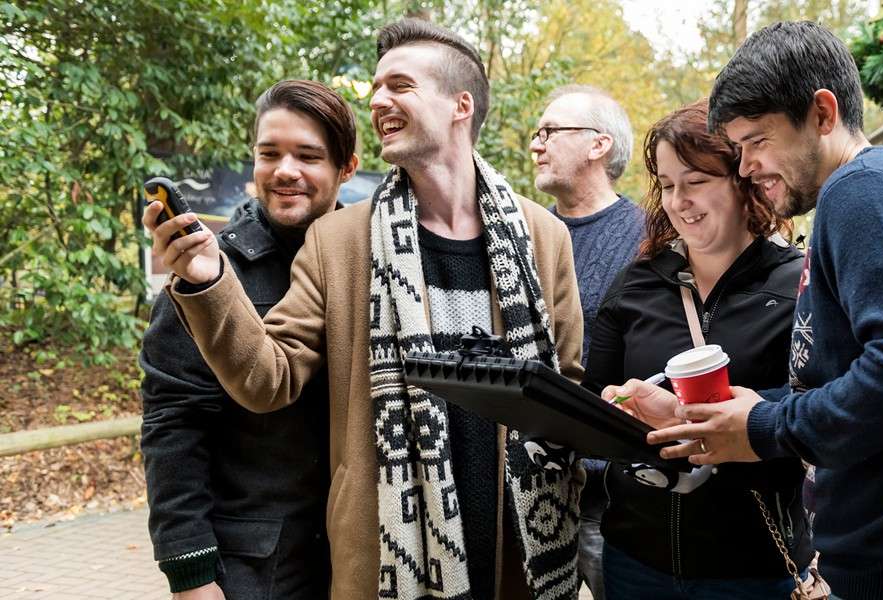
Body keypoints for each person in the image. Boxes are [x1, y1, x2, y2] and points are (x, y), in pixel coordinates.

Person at [142, 18, 585, 600]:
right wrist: (206, 281)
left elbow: (567, 384)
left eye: (399, 85)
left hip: (518, 555)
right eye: (375, 87)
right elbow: (266, 380)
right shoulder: (339, 241)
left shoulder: (543, 235)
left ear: (460, 104)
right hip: (389, 560)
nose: (377, 100)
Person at [619, 21, 883, 598]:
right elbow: (850, 378)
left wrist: (765, 427)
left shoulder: (866, 191)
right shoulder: (870, 191)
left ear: (822, 114)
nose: (747, 166)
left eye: (756, 141)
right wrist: (714, 412)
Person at [140, 79, 357, 600]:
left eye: (308, 155)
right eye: (270, 154)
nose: (285, 171)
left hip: (357, 554)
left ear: (346, 168)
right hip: (254, 563)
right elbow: (172, 419)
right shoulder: (206, 270)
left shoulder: (369, 260)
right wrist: (189, 572)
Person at [593, 99, 813, 599]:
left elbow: (824, 405)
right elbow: (595, 394)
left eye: (695, 182)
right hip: (634, 556)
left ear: (743, 181)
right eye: (668, 186)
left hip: (755, 568)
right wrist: (619, 409)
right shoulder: (637, 284)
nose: (678, 201)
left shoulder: (798, 282)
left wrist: (732, 418)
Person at [529, 83, 643, 600]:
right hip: (528, 483)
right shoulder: (520, 235)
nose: (537, 143)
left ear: (599, 145)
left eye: (550, 131)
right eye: (537, 132)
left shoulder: (648, 239)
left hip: (610, 495)